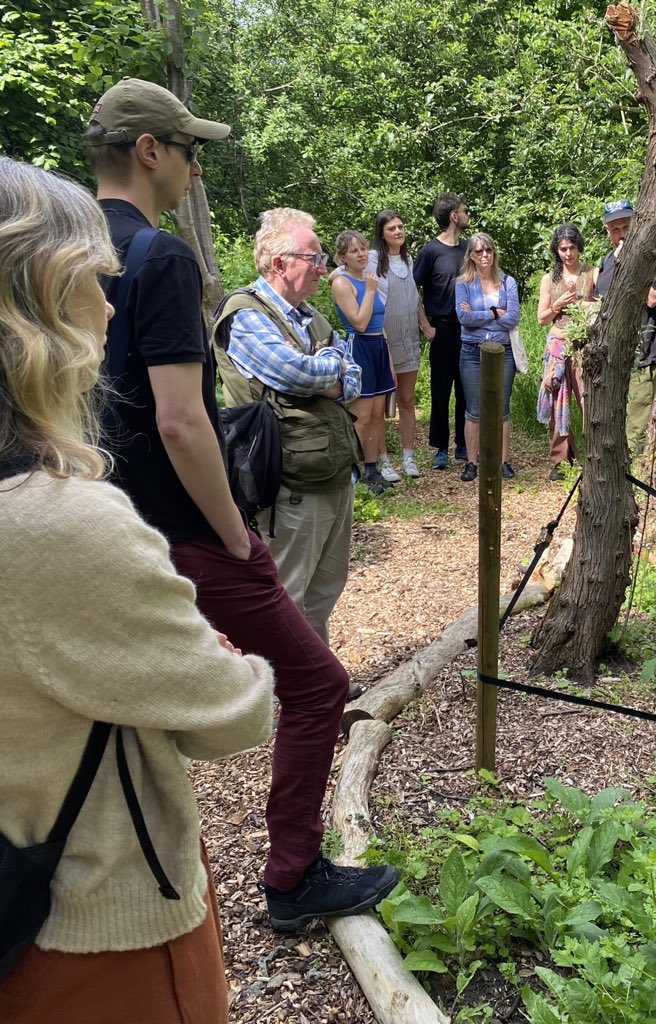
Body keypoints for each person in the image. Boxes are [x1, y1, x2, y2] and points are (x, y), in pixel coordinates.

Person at [83, 76, 398, 931]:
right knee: (317, 680)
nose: (194, 170)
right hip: (171, 525)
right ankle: (292, 878)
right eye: (189, 152)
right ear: (150, 151)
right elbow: (183, 424)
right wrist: (235, 539)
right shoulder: (162, 256)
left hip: (82, 521)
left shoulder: (60, 243)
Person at [0, 157, 275, 1023]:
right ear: (39, 301)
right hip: (92, 931)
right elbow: (233, 712)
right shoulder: (59, 524)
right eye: (93, 282)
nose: (111, 309)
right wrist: (222, 639)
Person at [213, 207, 362, 644]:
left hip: (333, 471)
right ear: (280, 264)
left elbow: (354, 379)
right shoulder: (244, 314)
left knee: (325, 588)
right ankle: (287, 693)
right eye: (314, 258)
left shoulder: (308, 315)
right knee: (287, 593)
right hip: (290, 482)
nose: (324, 268)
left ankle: (318, 679)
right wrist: (330, 369)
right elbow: (294, 373)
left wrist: (329, 371)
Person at [592, 198, 656, 453]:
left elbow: (651, 299)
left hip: (640, 356)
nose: (622, 234)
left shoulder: (652, 256)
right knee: (610, 426)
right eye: (615, 229)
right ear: (607, 231)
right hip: (610, 357)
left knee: (636, 429)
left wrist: (629, 261)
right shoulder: (605, 261)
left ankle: (637, 479)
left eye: (626, 227)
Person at [368, 209, 435, 478]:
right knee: (382, 403)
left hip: (408, 337)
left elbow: (414, 299)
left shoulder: (407, 260)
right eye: (391, 228)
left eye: (400, 227)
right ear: (382, 234)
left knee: (407, 400)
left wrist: (425, 325)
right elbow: (367, 297)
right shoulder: (373, 260)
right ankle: (383, 460)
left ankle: (409, 457)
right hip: (384, 339)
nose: (398, 232)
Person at [331, 230, 397, 493]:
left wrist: (389, 357)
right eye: (353, 250)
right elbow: (359, 322)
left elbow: (380, 324)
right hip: (359, 347)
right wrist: (370, 291)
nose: (360, 254)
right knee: (362, 415)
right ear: (342, 256)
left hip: (379, 346)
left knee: (378, 415)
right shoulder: (342, 283)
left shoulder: (367, 278)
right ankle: (352, 473)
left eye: (362, 249)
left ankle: (372, 469)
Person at [455, 232, 521, 482]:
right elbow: (463, 319)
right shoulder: (462, 283)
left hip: (503, 352)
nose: (484, 255)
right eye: (478, 251)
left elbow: (513, 317)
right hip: (472, 352)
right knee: (474, 409)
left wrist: (479, 314)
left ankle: (503, 461)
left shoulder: (507, 281)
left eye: (488, 250)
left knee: (502, 407)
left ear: (494, 253)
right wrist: (494, 314)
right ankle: (472, 462)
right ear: (471, 255)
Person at [414, 193, 470, 469]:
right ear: (453, 216)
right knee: (440, 390)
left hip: (468, 330)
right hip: (442, 330)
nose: (467, 214)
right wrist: (426, 326)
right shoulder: (430, 251)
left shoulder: (469, 249)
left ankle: (463, 444)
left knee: (466, 389)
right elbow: (411, 290)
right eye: (464, 210)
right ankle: (440, 448)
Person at [536, 223, 593, 481]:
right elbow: (541, 318)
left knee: (586, 399)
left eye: (571, 248)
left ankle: (592, 455)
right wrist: (558, 304)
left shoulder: (591, 273)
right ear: (556, 251)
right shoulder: (550, 279)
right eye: (562, 249)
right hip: (558, 346)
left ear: (578, 247)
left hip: (584, 346)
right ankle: (560, 460)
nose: (568, 254)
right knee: (558, 401)